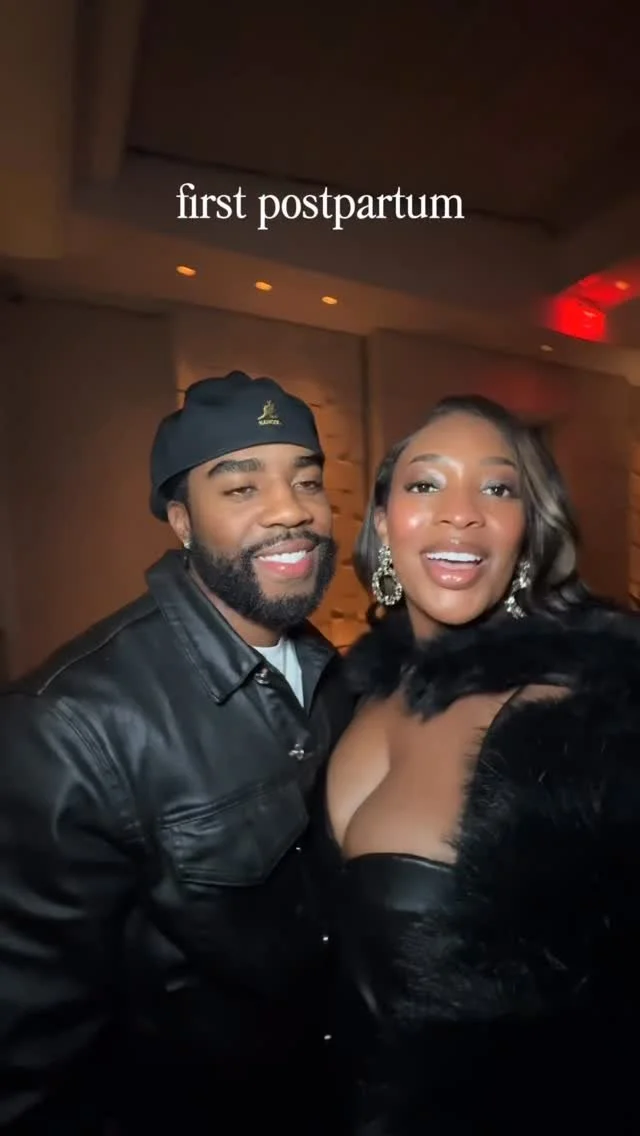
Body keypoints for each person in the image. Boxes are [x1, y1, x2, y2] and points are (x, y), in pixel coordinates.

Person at [0, 371, 354, 1134]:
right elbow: (29, 1063)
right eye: (241, 488)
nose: (291, 510)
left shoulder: (337, 675)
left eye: (307, 481)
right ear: (182, 521)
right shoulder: (68, 726)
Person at [322, 394, 640, 1134]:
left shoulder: (587, 727)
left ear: (528, 534)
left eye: (498, 488)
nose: (461, 513)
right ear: (382, 523)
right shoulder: (349, 691)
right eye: (425, 483)